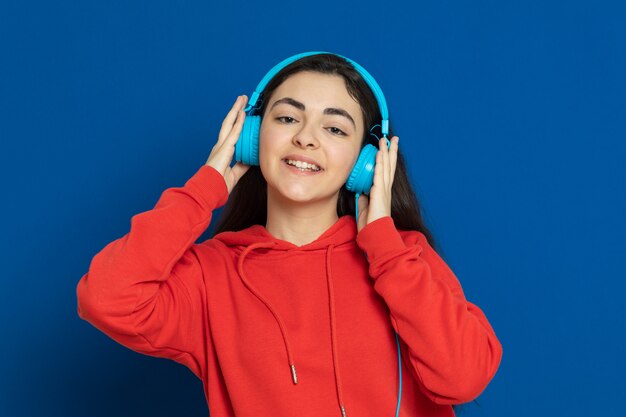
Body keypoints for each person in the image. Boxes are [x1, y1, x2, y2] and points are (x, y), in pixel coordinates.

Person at [76, 52, 502, 417]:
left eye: (334, 128)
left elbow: (462, 379)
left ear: (367, 161)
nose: (305, 138)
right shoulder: (211, 275)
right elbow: (107, 298)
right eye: (286, 117)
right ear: (252, 136)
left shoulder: (403, 260)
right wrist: (202, 190)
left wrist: (386, 251)